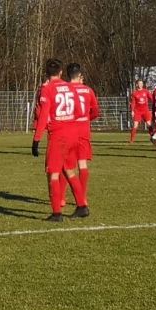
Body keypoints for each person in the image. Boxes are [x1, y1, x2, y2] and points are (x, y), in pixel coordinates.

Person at [32, 59, 88, 222]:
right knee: (69, 170)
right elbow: (80, 110)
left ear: (46, 73)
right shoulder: (71, 87)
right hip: (73, 133)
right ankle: (82, 206)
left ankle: (57, 213)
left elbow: (43, 115)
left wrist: (36, 139)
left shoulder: (47, 89)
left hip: (58, 136)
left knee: (53, 174)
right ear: (61, 72)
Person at [68, 65, 99, 215]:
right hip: (84, 130)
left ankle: (61, 199)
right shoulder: (88, 90)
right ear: (80, 75)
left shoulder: (65, 90)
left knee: (67, 166)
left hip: (68, 130)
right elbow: (96, 112)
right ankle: (83, 197)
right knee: (82, 163)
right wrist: (86, 118)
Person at [128, 79, 153, 144]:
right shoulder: (134, 93)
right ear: (137, 85)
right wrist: (132, 111)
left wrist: (155, 103)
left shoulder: (146, 91)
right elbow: (133, 103)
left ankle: (153, 138)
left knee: (149, 124)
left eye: (141, 83)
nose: (141, 85)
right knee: (135, 125)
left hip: (145, 111)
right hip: (137, 111)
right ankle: (131, 140)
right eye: (139, 83)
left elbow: (151, 98)